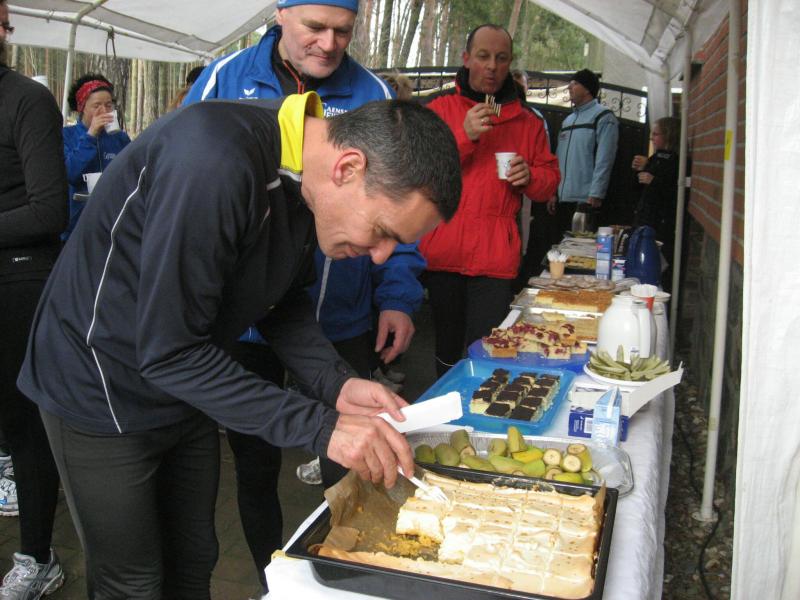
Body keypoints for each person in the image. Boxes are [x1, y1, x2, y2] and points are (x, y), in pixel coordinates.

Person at [18, 95, 461, 599]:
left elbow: (279, 298)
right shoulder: (212, 159)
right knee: (134, 580)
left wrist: (335, 383)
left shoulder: (305, 178)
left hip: (185, 378)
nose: (380, 256)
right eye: (382, 232)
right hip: (97, 383)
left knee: (195, 558)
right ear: (348, 168)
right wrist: (321, 427)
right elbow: (169, 350)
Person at [183, 0, 426, 587]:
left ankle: (350, 575)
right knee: (254, 462)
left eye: (343, 30)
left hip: (338, 315)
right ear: (280, 15)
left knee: (353, 455)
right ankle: (273, 577)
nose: (329, 43)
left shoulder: (371, 93)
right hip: (248, 321)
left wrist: (397, 295)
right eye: (315, 27)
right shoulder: (223, 79)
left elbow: (400, 213)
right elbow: (190, 181)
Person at [419, 24, 559, 376]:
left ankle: (479, 406)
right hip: (444, 250)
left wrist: (531, 177)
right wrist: (463, 136)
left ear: (510, 63)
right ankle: (446, 406)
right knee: (447, 347)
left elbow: (548, 185)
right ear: (467, 59)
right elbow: (419, 174)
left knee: (486, 350)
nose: (492, 66)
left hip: (496, 255)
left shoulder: (528, 122)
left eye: (501, 58)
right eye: (483, 56)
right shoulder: (439, 109)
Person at [0, 1, 68, 596]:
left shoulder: (26, 99)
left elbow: (50, 209)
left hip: (19, 278)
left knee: (25, 423)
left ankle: (39, 556)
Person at [547, 68, 619, 234]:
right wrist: (553, 192)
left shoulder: (604, 117)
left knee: (580, 247)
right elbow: (557, 160)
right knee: (560, 246)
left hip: (586, 201)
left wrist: (596, 193)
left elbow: (605, 159)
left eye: (574, 84)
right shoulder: (567, 121)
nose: (569, 87)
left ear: (587, 89)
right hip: (562, 200)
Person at [62, 73, 131, 240]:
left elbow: (132, 174)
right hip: (75, 225)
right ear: (82, 108)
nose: (104, 111)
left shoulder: (120, 139)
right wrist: (91, 135)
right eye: (96, 106)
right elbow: (70, 173)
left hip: (111, 223)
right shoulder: (67, 135)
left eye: (108, 105)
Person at [632, 116, 681, 290]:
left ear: (669, 136)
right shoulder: (654, 159)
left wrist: (653, 180)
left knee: (656, 266)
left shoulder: (676, 162)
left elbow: (673, 192)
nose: (652, 138)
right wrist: (640, 171)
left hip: (660, 224)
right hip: (645, 219)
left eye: (656, 134)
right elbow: (638, 190)